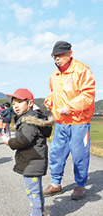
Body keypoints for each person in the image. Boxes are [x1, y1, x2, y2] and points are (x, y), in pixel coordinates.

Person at [43, 41, 96, 200]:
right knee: (56, 153)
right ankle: (55, 184)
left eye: (60, 55)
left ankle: (80, 185)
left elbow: (88, 95)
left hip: (79, 122)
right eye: (55, 56)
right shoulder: (54, 75)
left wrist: (71, 107)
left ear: (69, 54)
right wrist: (49, 100)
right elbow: (54, 93)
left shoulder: (82, 70)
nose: (57, 59)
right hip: (61, 123)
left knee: (80, 155)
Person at [1, 88, 54, 216]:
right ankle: (38, 214)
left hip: (32, 161)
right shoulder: (35, 117)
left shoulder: (28, 120)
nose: (16, 106)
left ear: (30, 103)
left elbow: (25, 140)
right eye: (13, 104)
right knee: (36, 190)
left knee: (33, 192)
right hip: (35, 160)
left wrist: (9, 142)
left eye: (19, 102)